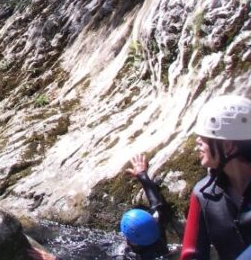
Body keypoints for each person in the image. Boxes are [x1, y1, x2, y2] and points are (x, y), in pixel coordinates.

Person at [28, 153, 176, 260]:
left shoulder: (125, 257)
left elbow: (157, 205)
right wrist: (142, 174)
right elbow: (157, 204)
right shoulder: (157, 230)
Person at [180, 94, 251, 260]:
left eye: (205, 138)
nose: (197, 141)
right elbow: (192, 255)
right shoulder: (202, 195)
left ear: (228, 145)